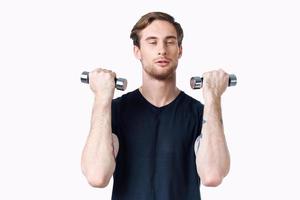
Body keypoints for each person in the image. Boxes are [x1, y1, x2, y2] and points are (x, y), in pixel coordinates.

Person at [81, 11, 231, 200]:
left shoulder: (200, 113)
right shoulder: (114, 111)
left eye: (170, 42)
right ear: (137, 51)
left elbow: (213, 175)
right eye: (152, 42)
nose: (162, 50)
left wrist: (213, 96)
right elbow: (96, 176)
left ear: (180, 50)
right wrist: (102, 97)